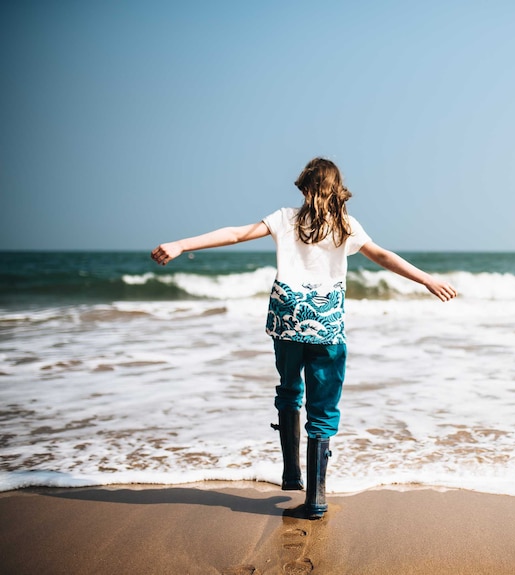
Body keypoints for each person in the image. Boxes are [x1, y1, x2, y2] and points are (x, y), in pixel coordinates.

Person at [151, 158, 456, 519]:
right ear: (336, 190)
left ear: (305, 188)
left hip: (287, 321)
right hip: (326, 325)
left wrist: (182, 244)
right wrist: (427, 280)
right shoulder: (346, 226)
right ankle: (315, 499)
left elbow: (235, 233)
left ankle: (291, 472)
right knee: (323, 407)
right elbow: (383, 256)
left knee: (289, 389)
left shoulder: (285, 218)